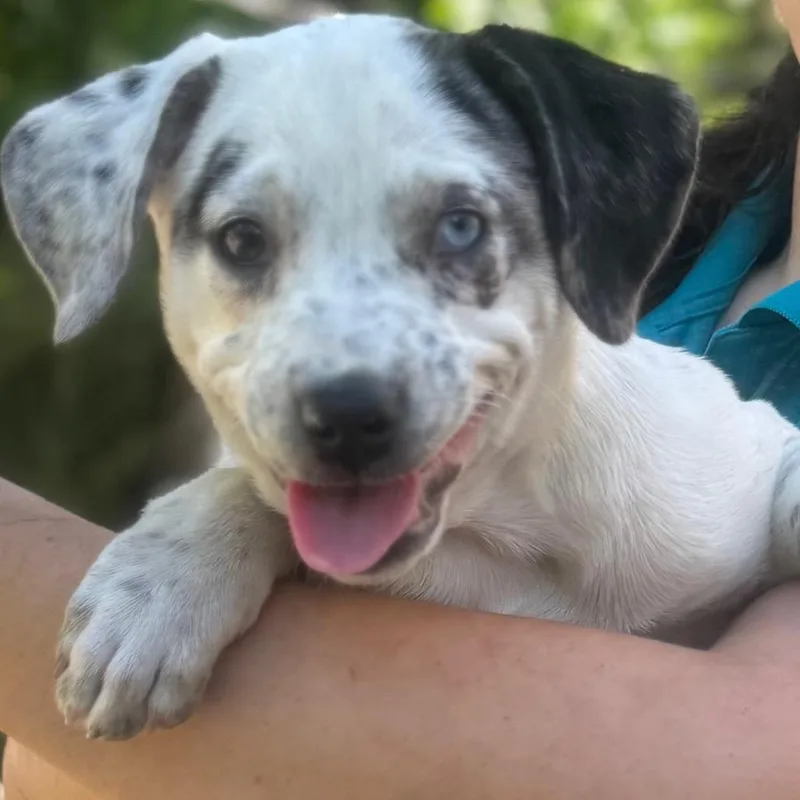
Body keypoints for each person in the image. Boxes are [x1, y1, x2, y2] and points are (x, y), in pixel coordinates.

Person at [3, 1, 800, 796]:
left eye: (457, 228)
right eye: (246, 242)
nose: (347, 368)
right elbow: (48, 769)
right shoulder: (714, 231)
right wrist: (231, 515)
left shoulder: (689, 470)